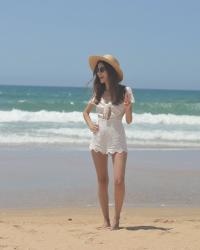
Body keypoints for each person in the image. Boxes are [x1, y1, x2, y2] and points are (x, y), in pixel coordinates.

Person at [83, 54, 135, 230]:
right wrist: (90, 124)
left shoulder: (125, 91)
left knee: (119, 180)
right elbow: (85, 112)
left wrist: (128, 109)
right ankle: (105, 220)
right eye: (97, 70)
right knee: (102, 180)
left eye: (102, 69)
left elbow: (128, 120)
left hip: (117, 138)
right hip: (99, 140)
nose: (99, 73)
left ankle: (117, 219)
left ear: (111, 71)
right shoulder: (97, 92)